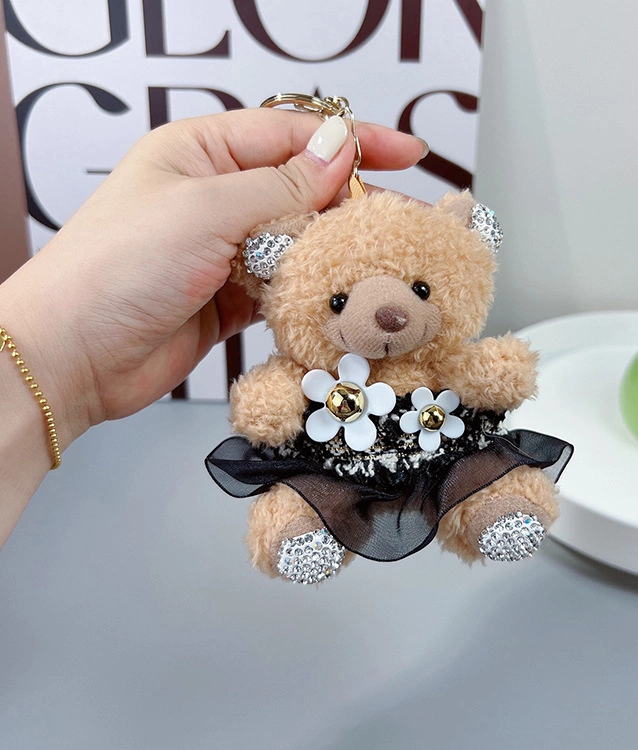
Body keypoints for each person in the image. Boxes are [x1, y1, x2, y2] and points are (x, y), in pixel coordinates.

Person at [0, 107, 427, 547]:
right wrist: (63, 362)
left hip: (431, 440)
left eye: (422, 290)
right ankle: (304, 528)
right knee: (307, 489)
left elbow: (477, 372)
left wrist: (62, 364)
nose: (389, 317)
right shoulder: (306, 367)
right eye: (338, 302)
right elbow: (265, 407)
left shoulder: (439, 361)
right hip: (329, 455)